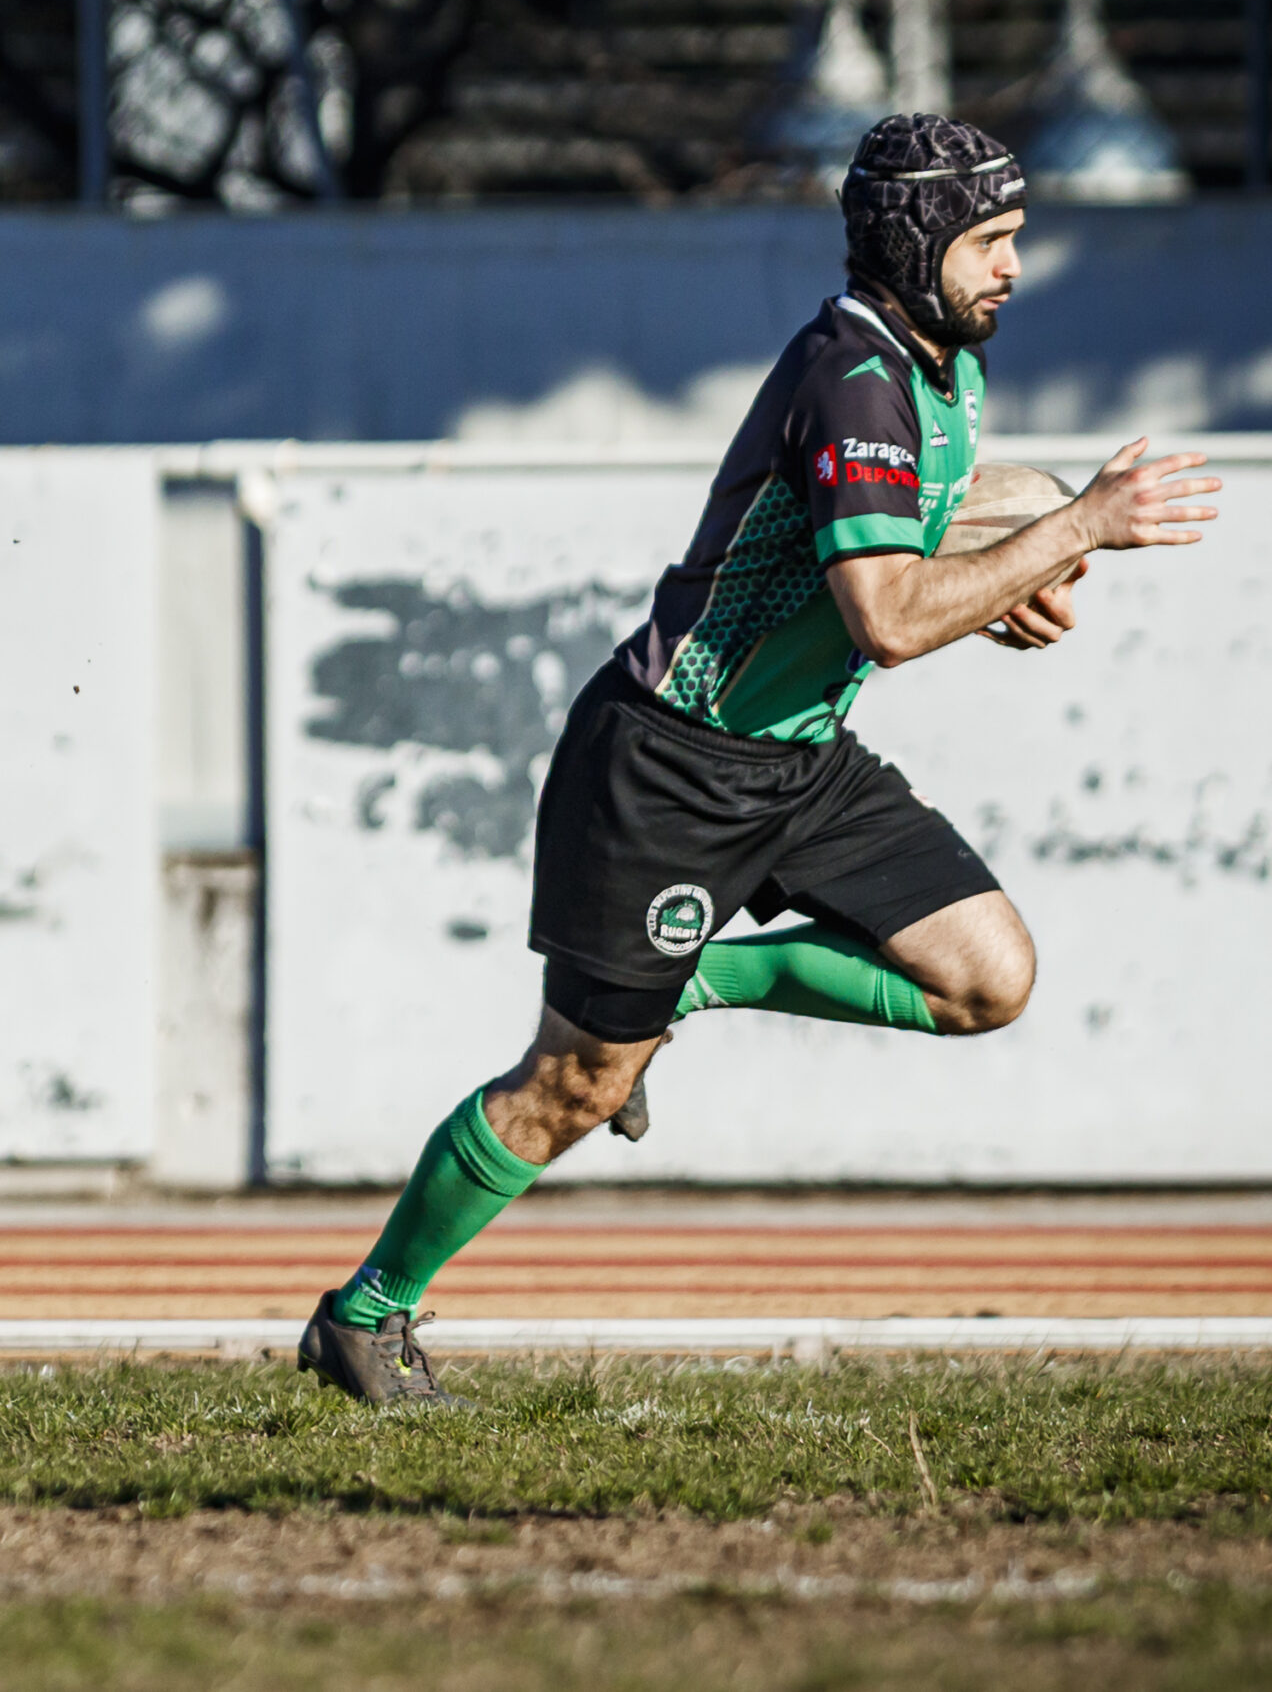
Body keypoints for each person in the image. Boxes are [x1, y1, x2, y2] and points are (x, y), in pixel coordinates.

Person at [296, 113, 1223, 1405]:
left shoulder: (942, 364)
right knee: (573, 1082)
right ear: (918, 241)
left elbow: (952, 506)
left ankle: (697, 984)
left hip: (798, 763)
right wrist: (1078, 525)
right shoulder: (851, 374)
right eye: (994, 241)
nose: (1015, 266)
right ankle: (362, 1313)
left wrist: (1025, 551)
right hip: (668, 769)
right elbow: (890, 615)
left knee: (988, 975)